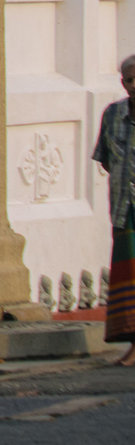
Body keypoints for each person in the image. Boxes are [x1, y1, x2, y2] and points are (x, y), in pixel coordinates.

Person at [99, 52, 135, 364]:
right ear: (122, 83)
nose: (134, 84)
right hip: (126, 212)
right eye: (129, 79)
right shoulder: (112, 114)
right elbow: (108, 161)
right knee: (129, 278)